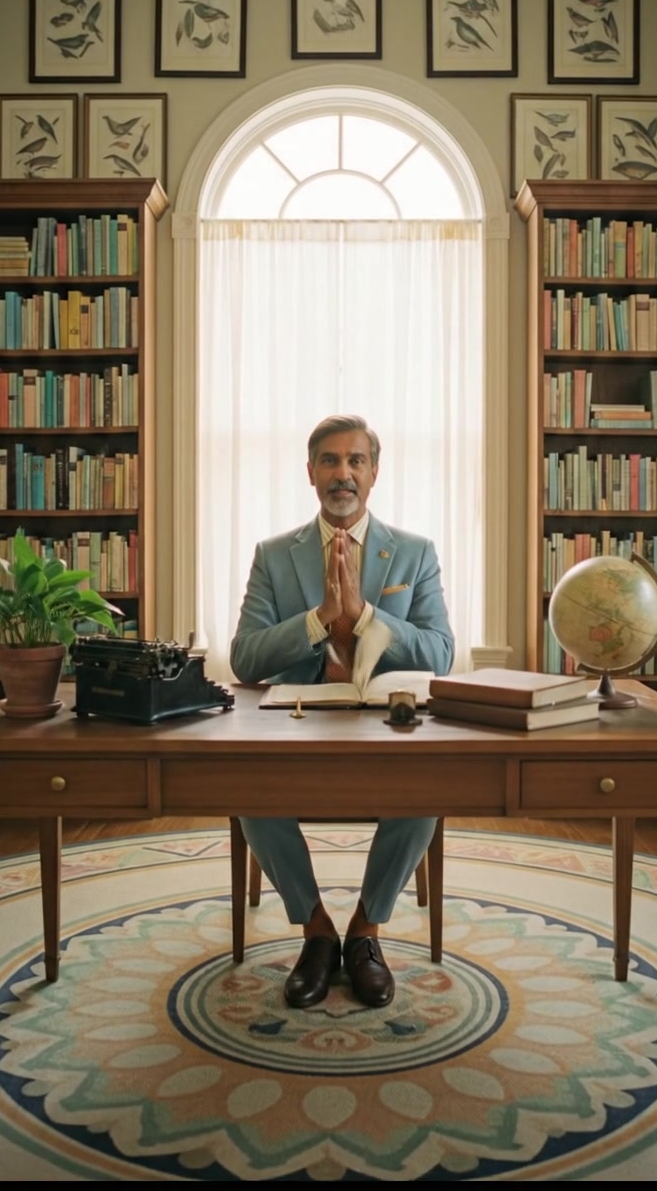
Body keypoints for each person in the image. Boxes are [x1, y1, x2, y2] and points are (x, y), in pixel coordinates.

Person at [230, 414, 455, 1009]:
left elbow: (442, 653)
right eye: (330, 461)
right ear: (310, 473)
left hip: (387, 731)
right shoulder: (275, 556)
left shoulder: (414, 552)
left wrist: (364, 618)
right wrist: (319, 618)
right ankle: (316, 931)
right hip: (297, 727)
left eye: (356, 461)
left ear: (374, 473)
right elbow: (245, 658)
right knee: (249, 792)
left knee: (427, 793)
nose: (343, 474)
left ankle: (365, 930)